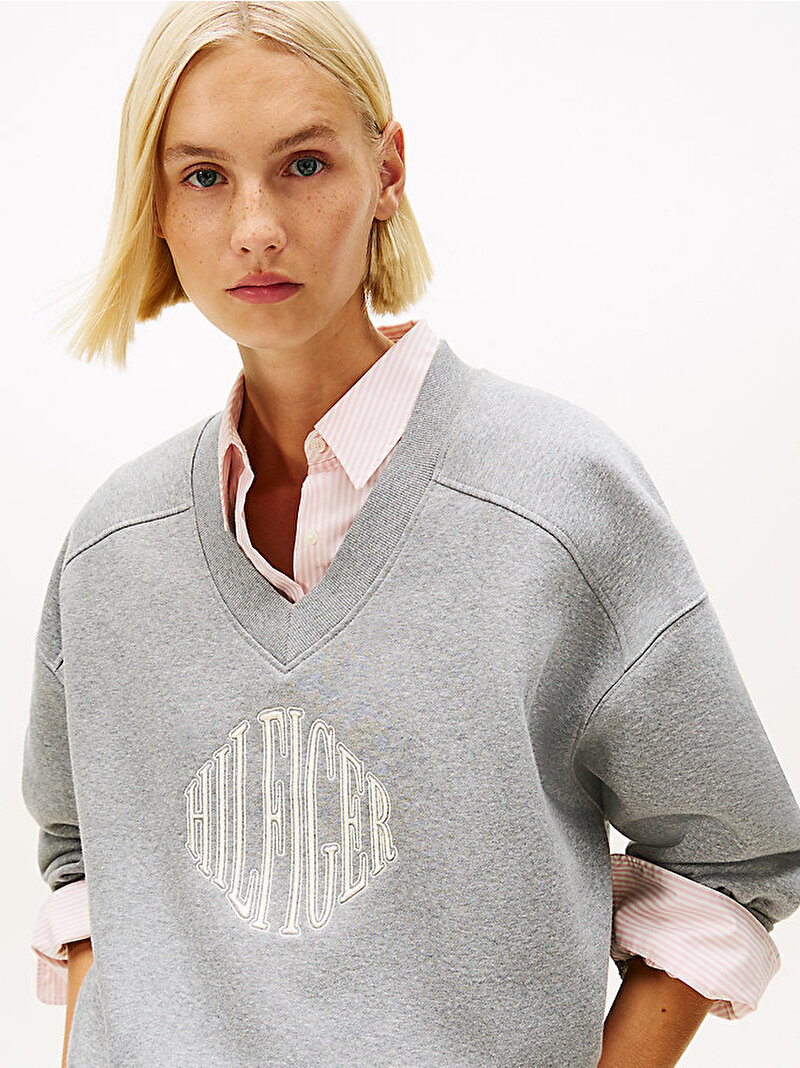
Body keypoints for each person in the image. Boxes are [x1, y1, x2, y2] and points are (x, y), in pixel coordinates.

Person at [20, 2, 800, 1066]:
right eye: (203, 176)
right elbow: (84, 860)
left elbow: (729, 855)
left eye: (303, 165)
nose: (255, 226)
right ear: (155, 205)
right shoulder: (114, 545)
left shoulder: (554, 501)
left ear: (386, 171)